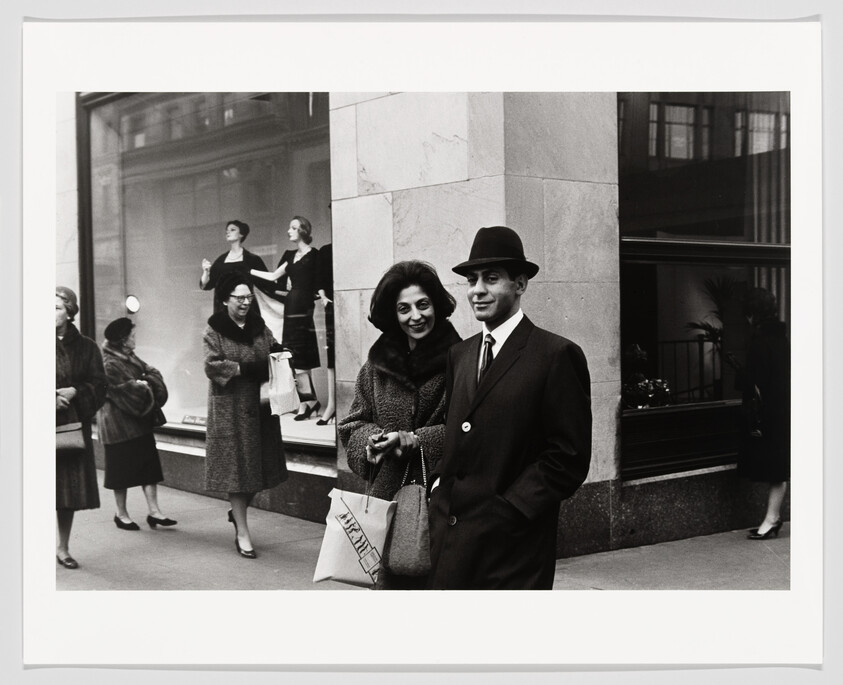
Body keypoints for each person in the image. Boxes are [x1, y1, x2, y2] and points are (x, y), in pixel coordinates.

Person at [427, 226, 592, 590]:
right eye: (472, 280)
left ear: (520, 285)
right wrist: (440, 489)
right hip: (451, 541)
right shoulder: (460, 354)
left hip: (512, 550)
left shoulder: (555, 355)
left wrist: (510, 509)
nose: (478, 290)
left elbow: (568, 457)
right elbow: (458, 431)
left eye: (491, 279)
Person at [339, 261, 461, 590]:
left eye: (423, 305)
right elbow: (352, 425)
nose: (415, 316)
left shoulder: (461, 360)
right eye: (403, 309)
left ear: (436, 305)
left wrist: (418, 441)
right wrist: (372, 441)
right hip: (385, 503)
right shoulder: (376, 365)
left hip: (443, 504)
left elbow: (472, 428)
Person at [203, 273, 288, 558]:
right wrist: (251, 368)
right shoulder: (214, 330)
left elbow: (273, 348)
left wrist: (283, 355)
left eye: (248, 297)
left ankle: (236, 514)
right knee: (238, 473)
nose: (244, 302)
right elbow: (213, 365)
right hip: (232, 411)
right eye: (239, 297)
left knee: (261, 470)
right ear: (226, 299)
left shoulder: (259, 326)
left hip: (261, 408)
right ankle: (242, 531)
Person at [97, 317, 176, 531]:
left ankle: (154, 512)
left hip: (138, 422)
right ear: (123, 340)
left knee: (148, 467)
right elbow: (130, 393)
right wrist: (145, 383)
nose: (135, 339)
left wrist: (146, 382)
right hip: (118, 426)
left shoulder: (128, 356)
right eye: (132, 336)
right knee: (120, 472)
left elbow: (150, 375)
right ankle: (121, 514)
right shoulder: (109, 363)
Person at [55, 286, 107, 569]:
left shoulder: (86, 347)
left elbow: (100, 385)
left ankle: (63, 546)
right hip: (34, 427)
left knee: (65, 492)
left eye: (56, 308)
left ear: (70, 311)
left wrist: (76, 393)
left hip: (71, 427)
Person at [251, 216, 321, 421]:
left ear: (302, 231)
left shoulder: (314, 255)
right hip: (291, 309)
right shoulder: (290, 255)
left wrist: (319, 295)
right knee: (294, 359)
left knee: (303, 361)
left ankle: (308, 403)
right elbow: (274, 276)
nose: (288, 231)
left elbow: (317, 282)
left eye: (293, 228)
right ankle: (309, 402)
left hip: (303, 310)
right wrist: (250, 271)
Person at [738, 287, 790, 540]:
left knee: (776, 467)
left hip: (768, 412)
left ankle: (772, 519)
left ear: (752, 314)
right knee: (778, 466)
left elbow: (754, 381)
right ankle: (772, 518)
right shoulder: (782, 338)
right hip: (782, 409)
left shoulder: (759, 341)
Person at [199, 220, 269, 313]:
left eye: (232, 230)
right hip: (224, 311)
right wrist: (206, 271)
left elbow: (267, 284)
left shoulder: (252, 259)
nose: (228, 232)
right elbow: (206, 285)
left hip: (246, 309)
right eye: (227, 230)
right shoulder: (221, 261)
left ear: (241, 234)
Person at [316, 242, 335, 425]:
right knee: (332, 355)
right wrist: (323, 297)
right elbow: (320, 278)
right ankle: (332, 404)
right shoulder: (325, 250)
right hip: (331, 305)